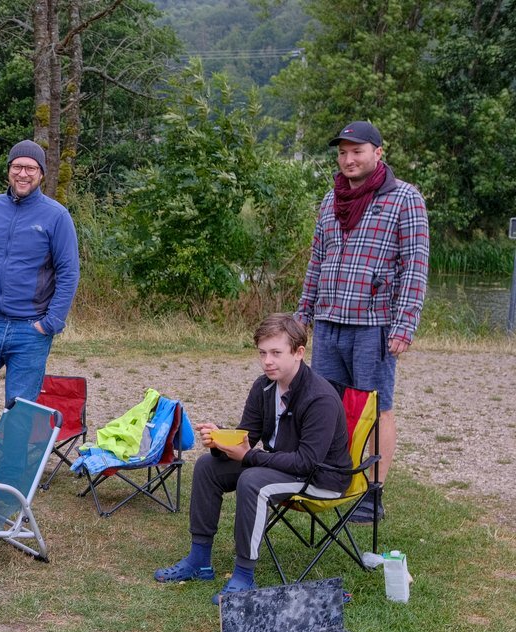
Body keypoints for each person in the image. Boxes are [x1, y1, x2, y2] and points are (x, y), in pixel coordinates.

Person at [153, 314, 351, 603]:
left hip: (321, 477)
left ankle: (244, 577)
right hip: (283, 466)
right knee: (208, 466)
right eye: (262, 353)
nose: (267, 361)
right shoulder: (264, 387)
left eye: (275, 353)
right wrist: (221, 440)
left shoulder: (319, 397)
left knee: (252, 480)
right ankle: (199, 561)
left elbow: (306, 462)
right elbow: (248, 437)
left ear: (299, 353)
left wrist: (250, 457)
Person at [296, 120, 429, 522]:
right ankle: (333, 478)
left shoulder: (405, 198)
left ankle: (373, 493)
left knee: (376, 409)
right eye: (342, 152)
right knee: (327, 407)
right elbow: (316, 262)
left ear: (378, 153)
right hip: (329, 321)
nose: (349, 159)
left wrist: (404, 324)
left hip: (375, 325)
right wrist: (303, 315)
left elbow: (415, 266)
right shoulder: (330, 200)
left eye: (357, 151)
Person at [0, 139, 80, 442]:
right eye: (17, 166)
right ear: (8, 171)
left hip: (30, 330)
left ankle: (10, 479)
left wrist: (49, 323)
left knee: (20, 411)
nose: (23, 173)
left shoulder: (56, 216)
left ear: (41, 173)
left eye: (31, 168)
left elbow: (69, 273)